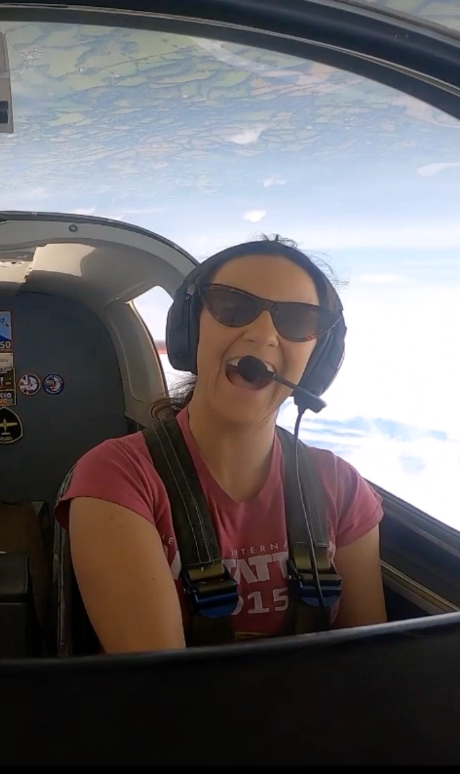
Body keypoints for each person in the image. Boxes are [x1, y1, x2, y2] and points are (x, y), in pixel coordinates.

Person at [55, 237, 386, 654]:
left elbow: (369, 667)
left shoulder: (341, 486)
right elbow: (162, 691)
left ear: (318, 358)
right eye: (232, 307)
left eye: (299, 320)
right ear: (190, 329)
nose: (263, 335)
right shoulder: (118, 476)